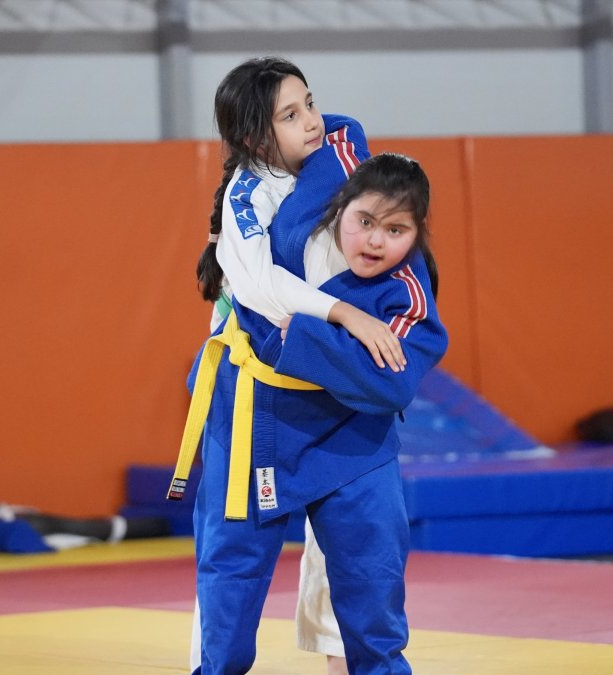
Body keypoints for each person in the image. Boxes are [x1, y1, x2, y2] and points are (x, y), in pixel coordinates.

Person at [172, 141, 446, 673]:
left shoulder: (407, 291)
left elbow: (391, 383)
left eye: (396, 231)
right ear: (338, 205)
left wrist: (291, 337)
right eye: (365, 220)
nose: (374, 241)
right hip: (257, 423)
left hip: (350, 442)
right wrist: (341, 322)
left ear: (416, 236)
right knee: (229, 576)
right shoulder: (288, 229)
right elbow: (252, 304)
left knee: (371, 580)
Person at [185, 56, 398, 674]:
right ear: (255, 138)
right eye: (290, 113)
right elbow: (263, 289)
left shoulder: (338, 169)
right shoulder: (247, 197)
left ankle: (350, 666)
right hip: (257, 397)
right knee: (232, 559)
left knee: (355, 551)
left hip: (332, 394)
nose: (312, 120)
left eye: (310, 103)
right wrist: (348, 316)